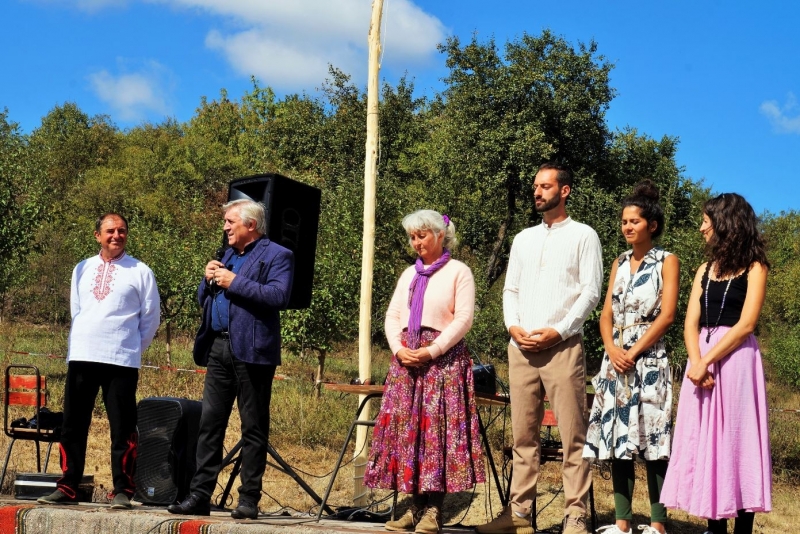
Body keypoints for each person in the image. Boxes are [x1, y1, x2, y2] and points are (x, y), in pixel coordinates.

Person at [477, 162, 603, 534]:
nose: (537, 192)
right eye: (535, 186)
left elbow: (591, 292)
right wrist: (513, 327)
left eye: (545, 186)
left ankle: (575, 516)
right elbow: (511, 289)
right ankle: (518, 516)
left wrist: (559, 331)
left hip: (562, 348)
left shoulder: (583, 235)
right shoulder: (523, 239)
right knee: (523, 436)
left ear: (564, 191)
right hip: (521, 348)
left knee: (572, 437)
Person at [168, 199, 294, 519]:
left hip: (253, 352)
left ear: (250, 225)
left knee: (253, 427)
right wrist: (207, 278)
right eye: (225, 221)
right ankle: (200, 495)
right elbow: (204, 299)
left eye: (230, 221)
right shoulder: (226, 255)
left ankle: (248, 499)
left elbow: (278, 296)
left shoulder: (278, 255)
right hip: (218, 348)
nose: (225, 227)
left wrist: (233, 282)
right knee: (210, 424)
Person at [363, 210, 485, 534]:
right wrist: (398, 349)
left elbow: (463, 319)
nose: (416, 242)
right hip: (407, 362)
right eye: (412, 237)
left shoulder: (459, 272)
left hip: (442, 363)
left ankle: (434, 510)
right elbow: (393, 316)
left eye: (422, 235)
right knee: (410, 435)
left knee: (436, 436)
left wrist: (433, 350)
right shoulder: (409, 274)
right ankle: (414, 508)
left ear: (440, 235)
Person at [660, 193, 771, 534]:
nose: (701, 228)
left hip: (736, 362)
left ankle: (743, 527)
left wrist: (706, 360)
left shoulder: (755, 267)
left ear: (725, 224)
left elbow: (747, 324)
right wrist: (697, 363)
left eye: (706, 221)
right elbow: (690, 322)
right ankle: (714, 526)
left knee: (737, 439)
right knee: (705, 440)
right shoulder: (704, 270)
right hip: (701, 363)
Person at [38, 213, 160, 509]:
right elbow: (77, 310)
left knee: (122, 427)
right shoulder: (82, 268)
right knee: (73, 424)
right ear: (97, 235)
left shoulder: (140, 271)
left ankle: (123, 490)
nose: (117, 235)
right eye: (110, 231)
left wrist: (131, 348)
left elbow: (151, 318)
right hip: (83, 354)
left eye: (122, 231)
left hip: (121, 359)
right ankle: (68, 486)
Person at [583, 181, 679, 534]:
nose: (627, 227)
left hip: (648, 359)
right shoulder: (620, 262)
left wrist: (634, 352)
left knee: (654, 440)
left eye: (634, 221)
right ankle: (621, 523)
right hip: (616, 359)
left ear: (651, 225)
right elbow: (606, 313)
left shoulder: (667, 261)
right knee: (616, 436)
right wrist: (612, 349)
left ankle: (658, 524)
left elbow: (667, 315)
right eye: (624, 221)